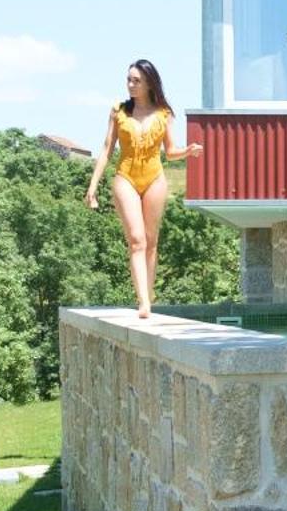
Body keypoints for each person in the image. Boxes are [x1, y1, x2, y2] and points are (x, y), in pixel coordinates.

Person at [85, 60, 203, 318]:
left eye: (136, 80)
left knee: (151, 242)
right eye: (128, 79)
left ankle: (149, 294)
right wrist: (92, 187)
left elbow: (170, 153)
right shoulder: (118, 111)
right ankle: (143, 302)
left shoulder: (163, 113)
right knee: (137, 240)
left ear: (149, 82)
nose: (130, 85)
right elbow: (106, 149)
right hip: (125, 177)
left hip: (154, 178)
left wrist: (188, 151)